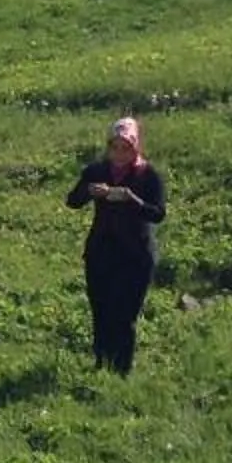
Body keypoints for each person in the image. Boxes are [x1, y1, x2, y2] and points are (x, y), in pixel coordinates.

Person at [65, 116, 166, 373]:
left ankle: (122, 371)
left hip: (135, 256)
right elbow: (72, 201)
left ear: (136, 147)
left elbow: (157, 213)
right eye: (115, 148)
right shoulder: (97, 171)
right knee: (100, 311)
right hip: (101, 252)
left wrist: (132, 199)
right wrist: (89, 191)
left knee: (124, 316)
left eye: (126, 148)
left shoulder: (147, 175)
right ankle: (101, 364)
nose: (120, 154)